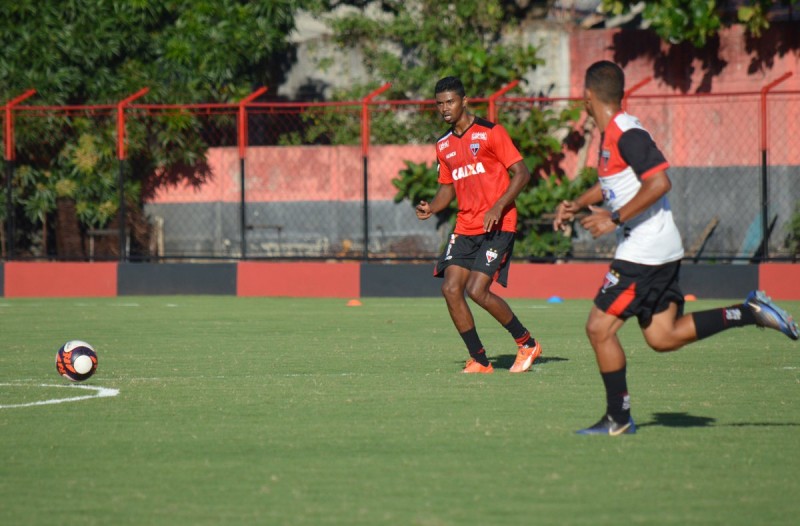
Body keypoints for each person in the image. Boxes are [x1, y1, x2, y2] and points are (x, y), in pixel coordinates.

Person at [553, 60, 799, 435]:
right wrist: (576, 204)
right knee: (662, 336)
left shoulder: (626, 133)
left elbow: (659, 183)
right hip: (658, 248)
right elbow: (614, 184)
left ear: (587, 98)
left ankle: (618, 419)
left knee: (599, 329)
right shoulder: (613, 134)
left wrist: (614, 219)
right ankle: (749, 312)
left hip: (644, 251)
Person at [416, 76, 542, 374]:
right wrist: (432, 207)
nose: (445, 108)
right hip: (466, 225)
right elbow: (447, 187)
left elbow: (521, 173)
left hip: (499, 224)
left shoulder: (491, 133)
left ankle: (527, 343)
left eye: (450, 102)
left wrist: (498, 205)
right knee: (450, 289)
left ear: (464, 101)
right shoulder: (443, 145)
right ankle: (480, 359)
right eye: (439, 104)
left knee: (477, 290)